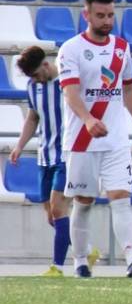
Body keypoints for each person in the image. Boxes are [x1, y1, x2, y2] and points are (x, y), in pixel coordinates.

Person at [57, 0, 132, 278]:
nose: (107, 20)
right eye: (100, 15)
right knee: (84, 202)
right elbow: (70, 92)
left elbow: (127, 89)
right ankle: (80, 261)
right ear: (86, 14)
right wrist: (88, 119)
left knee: (121, 196)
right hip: (81, 140)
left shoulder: (121, 48)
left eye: (111, 15)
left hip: (115, 140)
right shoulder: (71, 49)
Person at [10, 46, 99, 277]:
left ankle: (58, 267)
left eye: (38, 74)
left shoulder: (67, 84)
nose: (37, 80)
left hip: (66, 154)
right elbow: (33, 117)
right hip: (44, 156)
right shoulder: (33, 87)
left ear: (47, 66)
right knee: (51, 215)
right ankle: (87, 250)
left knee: (59, 209)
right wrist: (19, 146)